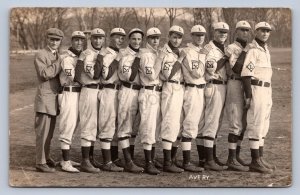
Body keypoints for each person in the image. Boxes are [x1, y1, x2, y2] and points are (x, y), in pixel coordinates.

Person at [241, 22, 275, 173]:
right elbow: (246, 75)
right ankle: (255, 161)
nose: (265, 33)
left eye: (268, 31)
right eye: (262, 31)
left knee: (264, 125)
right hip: (257, 88)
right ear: (256, 32)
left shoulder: (265, 49)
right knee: (256, 123)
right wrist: (248, 96)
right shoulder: (253, 50)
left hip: (267, 89)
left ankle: (260, 158)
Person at [95, 27, 127, 172]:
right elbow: (106, 75)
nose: (120, 39)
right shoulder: (107, 54)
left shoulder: (118, 53)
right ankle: (107, 161)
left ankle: (114, 158)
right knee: (107, 126)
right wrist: (117, 60)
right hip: (108, 90)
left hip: (117, 91)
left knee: (115, 127)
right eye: (117, 37)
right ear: (111, 38)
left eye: (122, 37)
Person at [74, 28, 106, 173]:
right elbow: (94, 75)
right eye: (95, 38)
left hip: (98, 90)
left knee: (94, 126)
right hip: (89, 90)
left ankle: (91, 158)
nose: (98, 41)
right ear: (90, 39)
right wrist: (100, 58)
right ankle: (85, 161)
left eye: (100, 38)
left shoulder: (99, 52)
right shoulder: (87, 54)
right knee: (88, 125)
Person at [199, 22, 229, 171]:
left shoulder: (223, 48)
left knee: (216, 122)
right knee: (211, 122)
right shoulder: (209, 48)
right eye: (220, 32)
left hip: (222, 86)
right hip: (214, 84)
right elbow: (212, 69)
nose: (223, 34)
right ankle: (208, 160)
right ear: (214, 32)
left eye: (225, 32)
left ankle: (210, 157)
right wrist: (226, 58)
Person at [223, 21, 253, 171]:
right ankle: (231, 159)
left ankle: (237, 155)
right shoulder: (232, 48)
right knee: (235, 122)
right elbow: (236, 68)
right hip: (235, 83)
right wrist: (246, 51)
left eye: (247, 30)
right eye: (242, 30)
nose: (245, 33)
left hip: (246, 85)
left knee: (244, 123)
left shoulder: (249, 48)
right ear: (236, 32)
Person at [34, 28, 64, 172]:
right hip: (44, 99)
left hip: (53, 99)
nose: (54, 42)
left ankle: (46, 157)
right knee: (42, 132)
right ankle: (40, 162)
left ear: (60, 41)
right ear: (47, 39)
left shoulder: (58, 54)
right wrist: (60, 62)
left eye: (57, 40)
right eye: (52, 39)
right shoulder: (41, 54)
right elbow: (45, 74)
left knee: (50, 133)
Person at [179, 25, 207, 172]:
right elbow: (197, 73)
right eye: (197, 35)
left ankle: (203, 159)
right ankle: (187, 162)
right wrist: (204, 56)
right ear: (192, 36)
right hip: (192, 89)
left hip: (201, 90)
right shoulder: (188, 51)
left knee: (201, 126)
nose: (200, 38)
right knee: (189, 126)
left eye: (202, 35)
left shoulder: (200, 51)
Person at [117, 28, 144, 173]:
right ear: (129, 39)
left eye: (139, 39)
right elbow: (130, 77)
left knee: (134, 128)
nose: (137, 42)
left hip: (139, 91)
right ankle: (127, 161)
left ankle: (131, 159)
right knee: (124, 127)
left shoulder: (142, 52)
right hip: (128, 90)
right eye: (134, 39)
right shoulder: (125, 54)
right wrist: (138, 58)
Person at [58, 30, 86, 173]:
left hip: (79, 94)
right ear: (72, 41)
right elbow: (75, 78)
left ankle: (65, 159)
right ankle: (65, 162)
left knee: (74, 127)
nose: (79, 43)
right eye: (76, 40)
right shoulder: (67, 58)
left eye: (81, 40)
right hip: (68, 93)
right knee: (67, 127)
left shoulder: (80, 56)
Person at [136, 27, 163, 175]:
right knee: (148, 127)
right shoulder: (146, 55)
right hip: (148, 92)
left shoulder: (154, 53)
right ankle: (148, 163)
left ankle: (152, 159)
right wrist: (159, 59)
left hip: (156, 92)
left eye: (157, 38)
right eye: (152, 38)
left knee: (155, 128)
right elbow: (152, 76)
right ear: (147, 39)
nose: (155, 40)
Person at [159, 25, 185, 173]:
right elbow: (168, 74)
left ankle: (173, 159)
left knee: (178, 125)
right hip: (170, 87)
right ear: (169, 37)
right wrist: (180, 60)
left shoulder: (178, 51)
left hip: (180, 88)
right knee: (170, 123)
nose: (176, 40)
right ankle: (167, 162)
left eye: (179, 37)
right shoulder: (165, 52)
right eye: (174, 37)